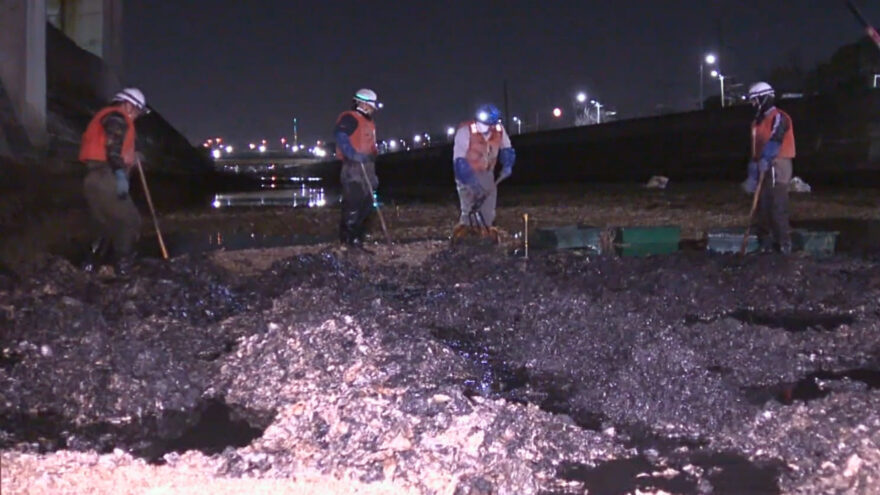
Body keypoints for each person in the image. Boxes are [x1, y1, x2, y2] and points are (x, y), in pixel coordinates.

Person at [79, 88, 150, 270]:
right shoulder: (117, 117)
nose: (136, 115)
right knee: (130, 220)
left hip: (92, 179)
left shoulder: (107, 117)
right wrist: (119, 174)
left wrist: (132, 159)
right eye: (136, 110)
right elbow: (113, 149)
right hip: (106, 177)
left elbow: (115, 149)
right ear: (127, 104)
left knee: (105, 225)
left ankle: (90, 265)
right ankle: (123, 265)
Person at [451, 104, 515, 241]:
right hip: (466, 173)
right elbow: (459, 160)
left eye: (488, 125)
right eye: (482, 123)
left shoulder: (499, 130)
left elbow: (507, 149)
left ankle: (486, 229)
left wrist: (508, 165)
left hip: (487, 173)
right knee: (469, 205)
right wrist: (471, 183)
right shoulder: (465, 131)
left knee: (488, 205)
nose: (485, 127)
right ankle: (465, 229)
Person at [745, 82, 796, 254]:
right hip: (762, 164)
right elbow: (754, 149)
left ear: (763, 98)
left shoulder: (779, 117)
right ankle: (765, 244)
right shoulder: (756, 123)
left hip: (778, 164)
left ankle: (783, 244)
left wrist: (766, 158)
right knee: (762, 206)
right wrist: (753, 173)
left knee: (777, 204)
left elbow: (776, 139)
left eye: (755, 100)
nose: (753, 104)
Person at [334, 88, 381, 249]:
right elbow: (341, 136)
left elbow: (371, 145)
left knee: (367, 205)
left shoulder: (369, 122)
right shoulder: (350, 118)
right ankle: (346, 242)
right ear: (361, 103)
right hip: (353, 168)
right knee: (353, 205)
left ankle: (357, 240)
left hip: (368, 167)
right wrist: (352, 154)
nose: (373, 108)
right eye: (370, 105)